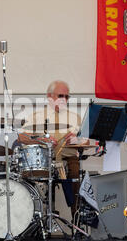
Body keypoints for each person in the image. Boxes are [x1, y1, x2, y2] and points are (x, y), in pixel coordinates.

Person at [18, 80, 88, 218]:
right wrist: (41, 139)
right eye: (61, 96)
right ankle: (31, 219)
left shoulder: (75, 118)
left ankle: (77, 221)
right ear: (50, 97)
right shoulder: (37, 116)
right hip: (42, 159)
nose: (64, 100)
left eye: (67, 97)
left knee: (76, 174)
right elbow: (21, 137)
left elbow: (85, 142)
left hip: (68, 159)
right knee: (25, 176)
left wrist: (77, 140)